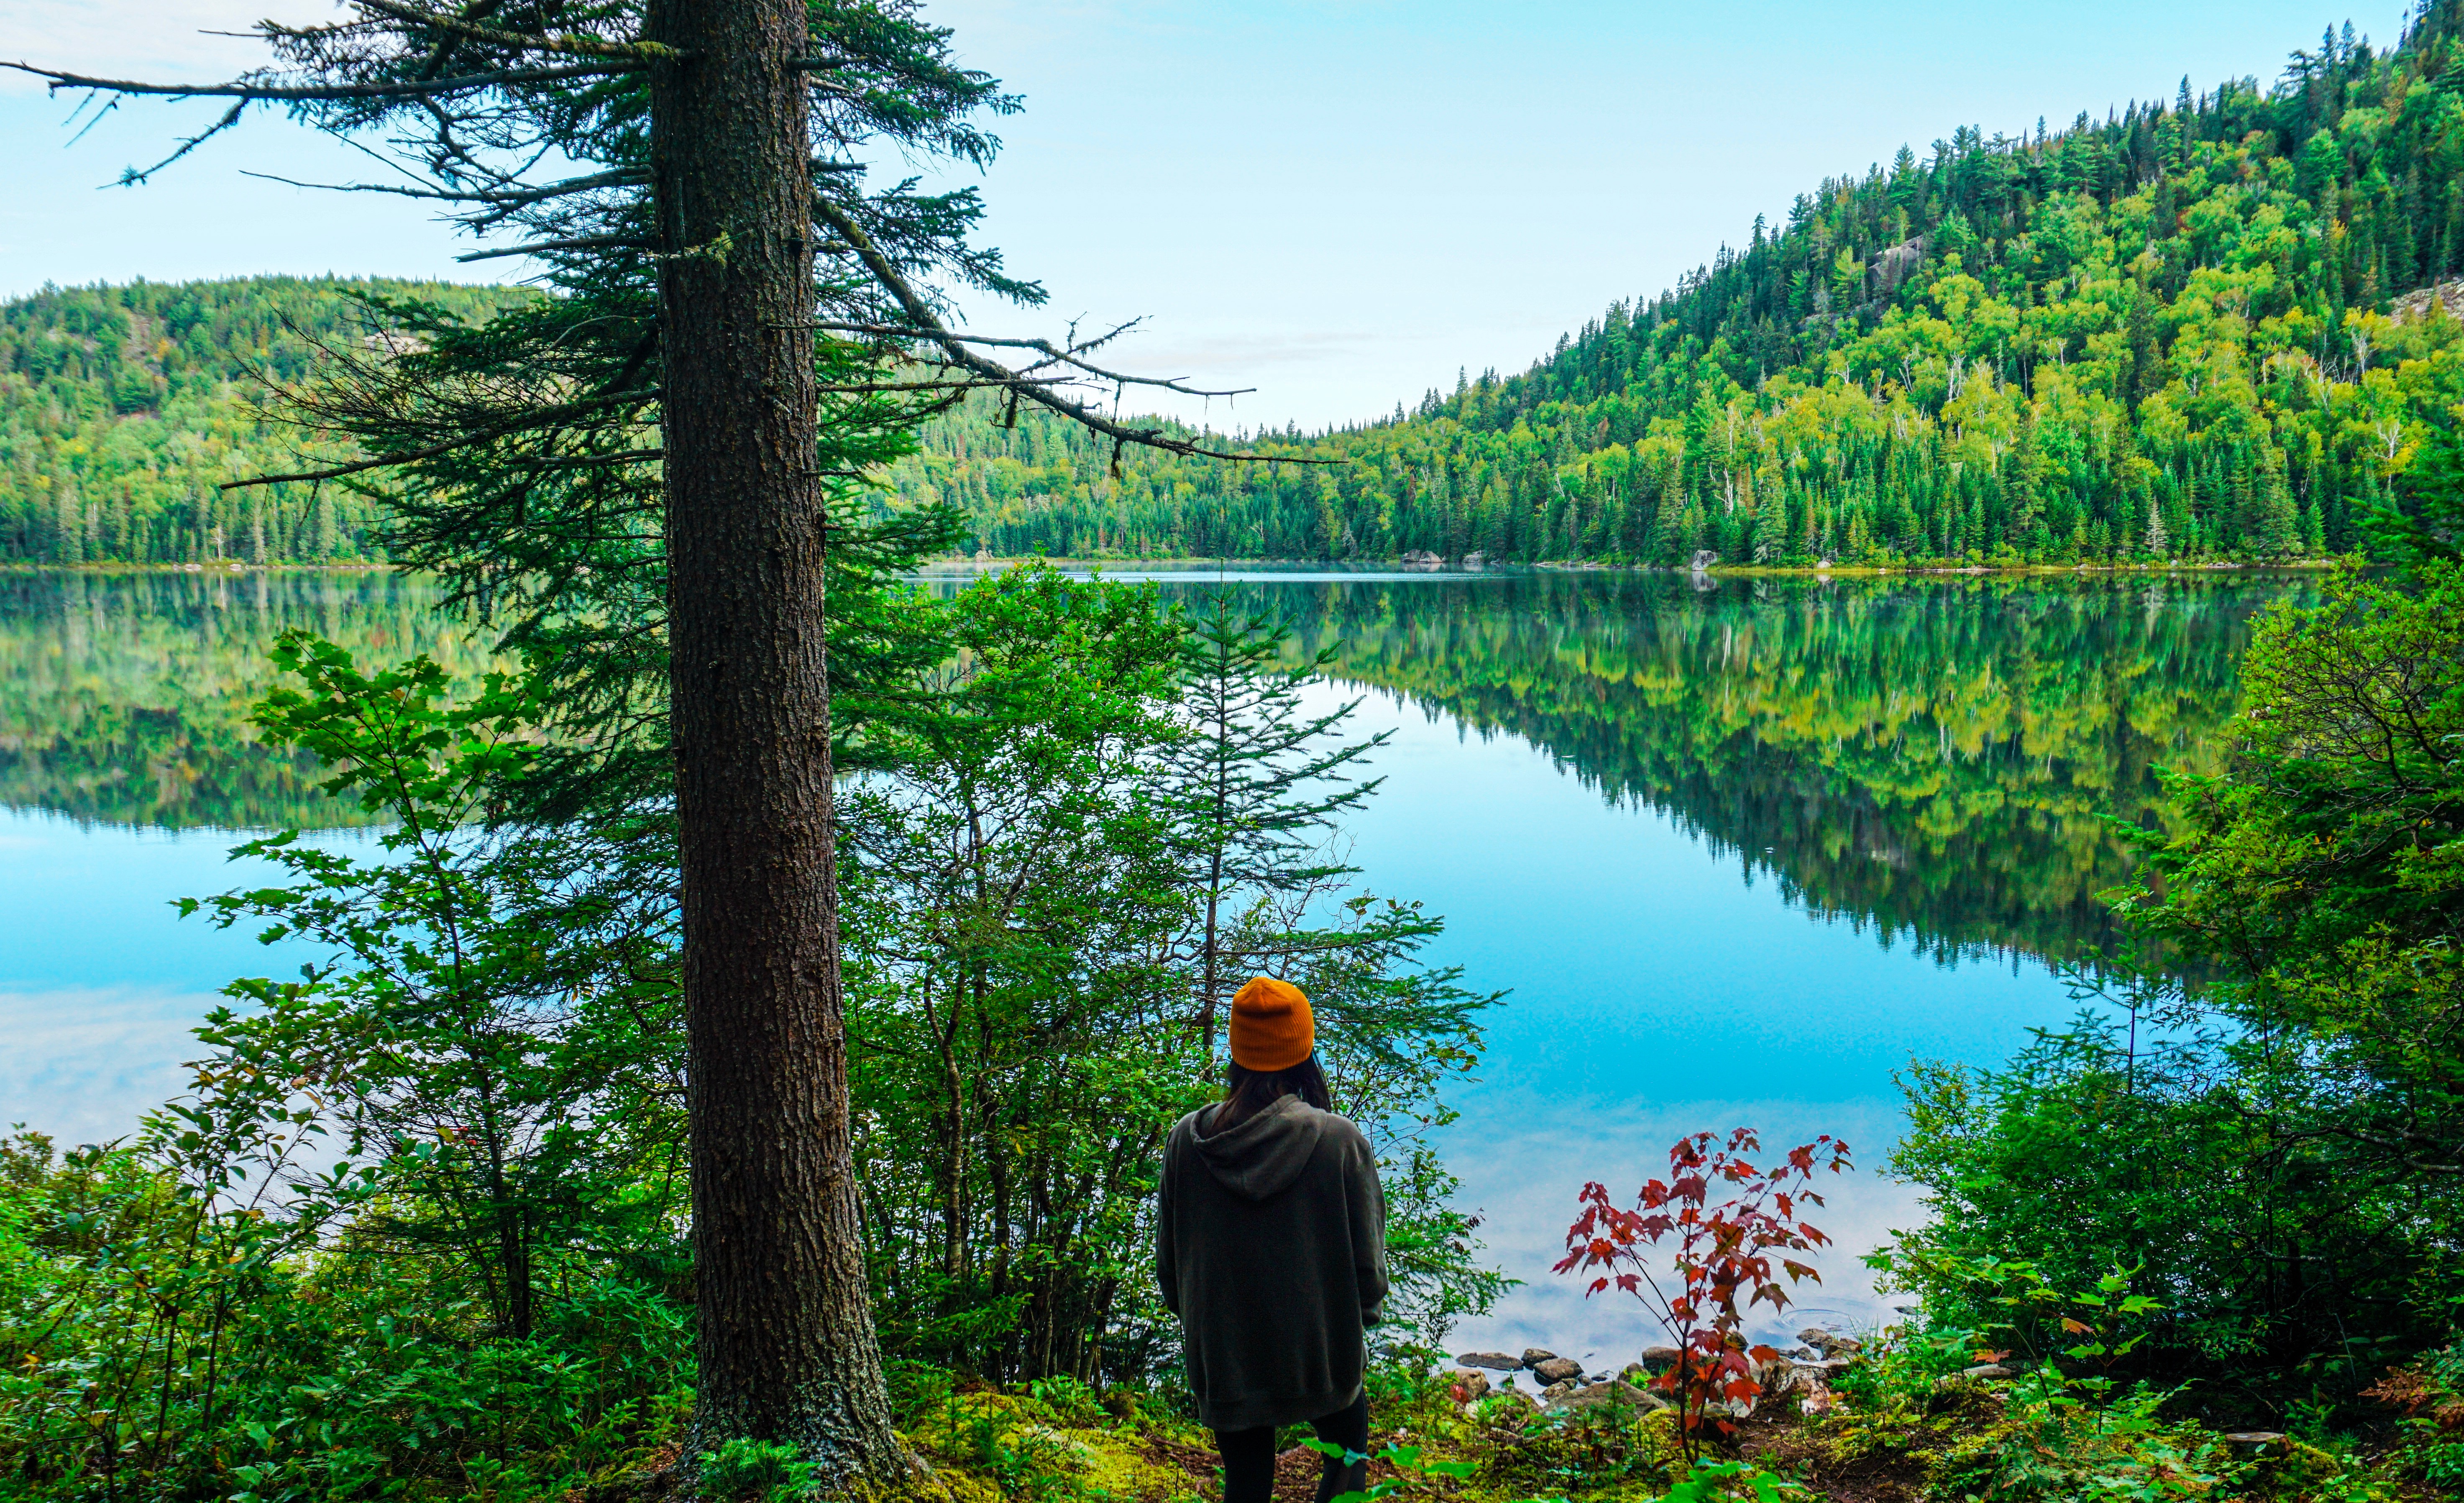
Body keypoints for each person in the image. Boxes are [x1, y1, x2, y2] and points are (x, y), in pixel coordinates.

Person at [1157, 976, 1389, 1503]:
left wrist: (1207, 1327)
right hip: (1319, 1352)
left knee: (1245, 1486)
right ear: (1302, 1051)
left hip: (1226, 1356)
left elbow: (1170, 1266)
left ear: (1236, 1054)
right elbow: (1368, 1268)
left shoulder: (1185, 1142)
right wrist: (1360, 1317)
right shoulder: (1338, 1141)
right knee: (1347, 1458)